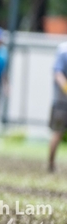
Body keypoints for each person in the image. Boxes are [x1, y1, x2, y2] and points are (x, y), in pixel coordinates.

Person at [48, 42, 67, 173]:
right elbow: (57, 74)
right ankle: (51, 164)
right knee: (58, 132)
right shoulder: (63, 50)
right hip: (61, 102)